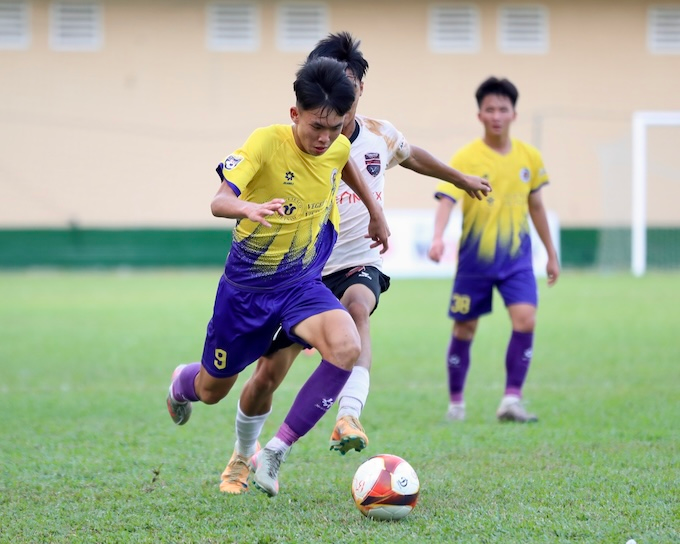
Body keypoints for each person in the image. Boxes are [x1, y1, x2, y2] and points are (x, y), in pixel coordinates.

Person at [218, 32, 492, 495]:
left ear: (359, 89)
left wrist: (459, 178)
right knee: (266, 376)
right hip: (299, 272)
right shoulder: (292, 142)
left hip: (356, 261)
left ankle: (348, 415)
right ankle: (243, 454)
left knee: (358, 307)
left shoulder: (379, 134)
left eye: (348, 85)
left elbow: (412, 156)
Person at [165, 56, 391, 497]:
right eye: (316, 127)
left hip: (301, 284)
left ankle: (274, 451)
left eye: (335, 127)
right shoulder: (266, 142)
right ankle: (180, 384)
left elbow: (344, 162)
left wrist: (375, 211)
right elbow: (218, 200)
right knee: (213, 389)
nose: (325, 138)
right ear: (294, 114)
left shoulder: (335, 146)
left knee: (347, 345)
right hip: (246, 292)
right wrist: (246, 207)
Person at [427, 76, 560, 423]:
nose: (497, 116)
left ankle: (511, 400)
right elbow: (446, 200)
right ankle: (456, 404)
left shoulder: (529, 157)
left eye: (503, 109)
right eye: (490, 109)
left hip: (517, 260)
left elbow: (537, 207)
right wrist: (438, 237)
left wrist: (551, 253)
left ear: (514, 114)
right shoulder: (466, 157)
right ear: (480, 115)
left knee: (526, 319)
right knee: (464, 329)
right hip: (475, 261)